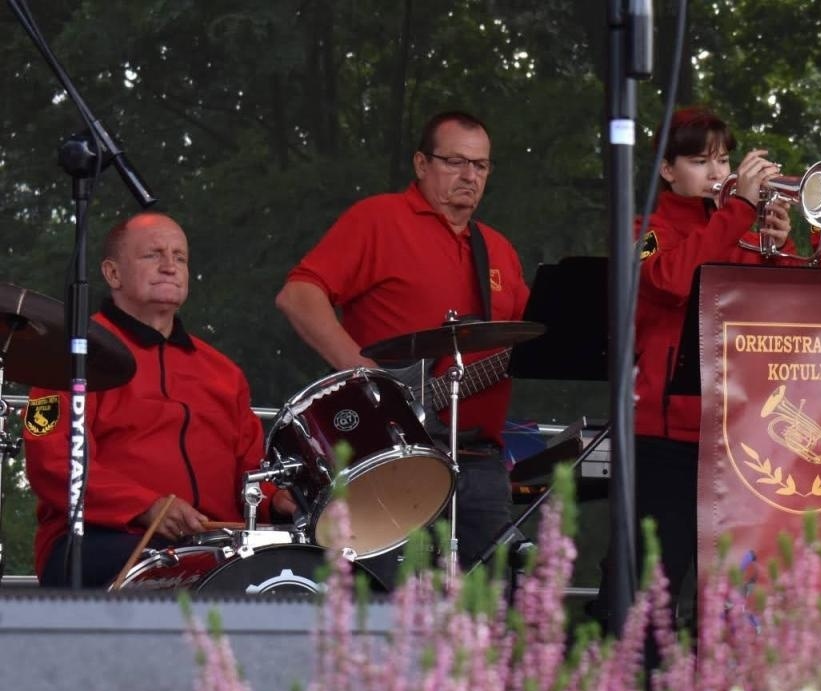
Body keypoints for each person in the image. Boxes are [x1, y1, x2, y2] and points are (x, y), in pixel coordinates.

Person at [276, 110, 532, 568]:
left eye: (480, 165)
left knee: (489, 614)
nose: (469, 176)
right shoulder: (379, 219)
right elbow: (298, 296)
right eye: (455, 162)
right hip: (391, 460)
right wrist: (366, 377)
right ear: (421, 163)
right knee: (386, 608)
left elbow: (528, 336)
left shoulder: (498, 249)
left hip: (478, 462)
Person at [22, 212, 293, 587]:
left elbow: (249, 476)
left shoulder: (224, 373)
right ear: (112, 273)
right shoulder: (72, 357)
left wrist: (275, 502)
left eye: (180, 257)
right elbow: (51, 460)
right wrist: (144, 506)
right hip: (102, 539)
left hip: (218, 545)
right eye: (153, 255)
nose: (170, 266)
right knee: (202, 580)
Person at [619, 106, 792, 631]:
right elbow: (670, 278)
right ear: (667, 170)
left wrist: (777, 251)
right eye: (700, 161)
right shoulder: (642, 227)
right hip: (665, 437)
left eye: (723, 160)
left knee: (743, 599)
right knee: (655, 588)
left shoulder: (739, 224)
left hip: (741, 439)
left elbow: (784, 318)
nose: (718, 173)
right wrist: (736, 212)